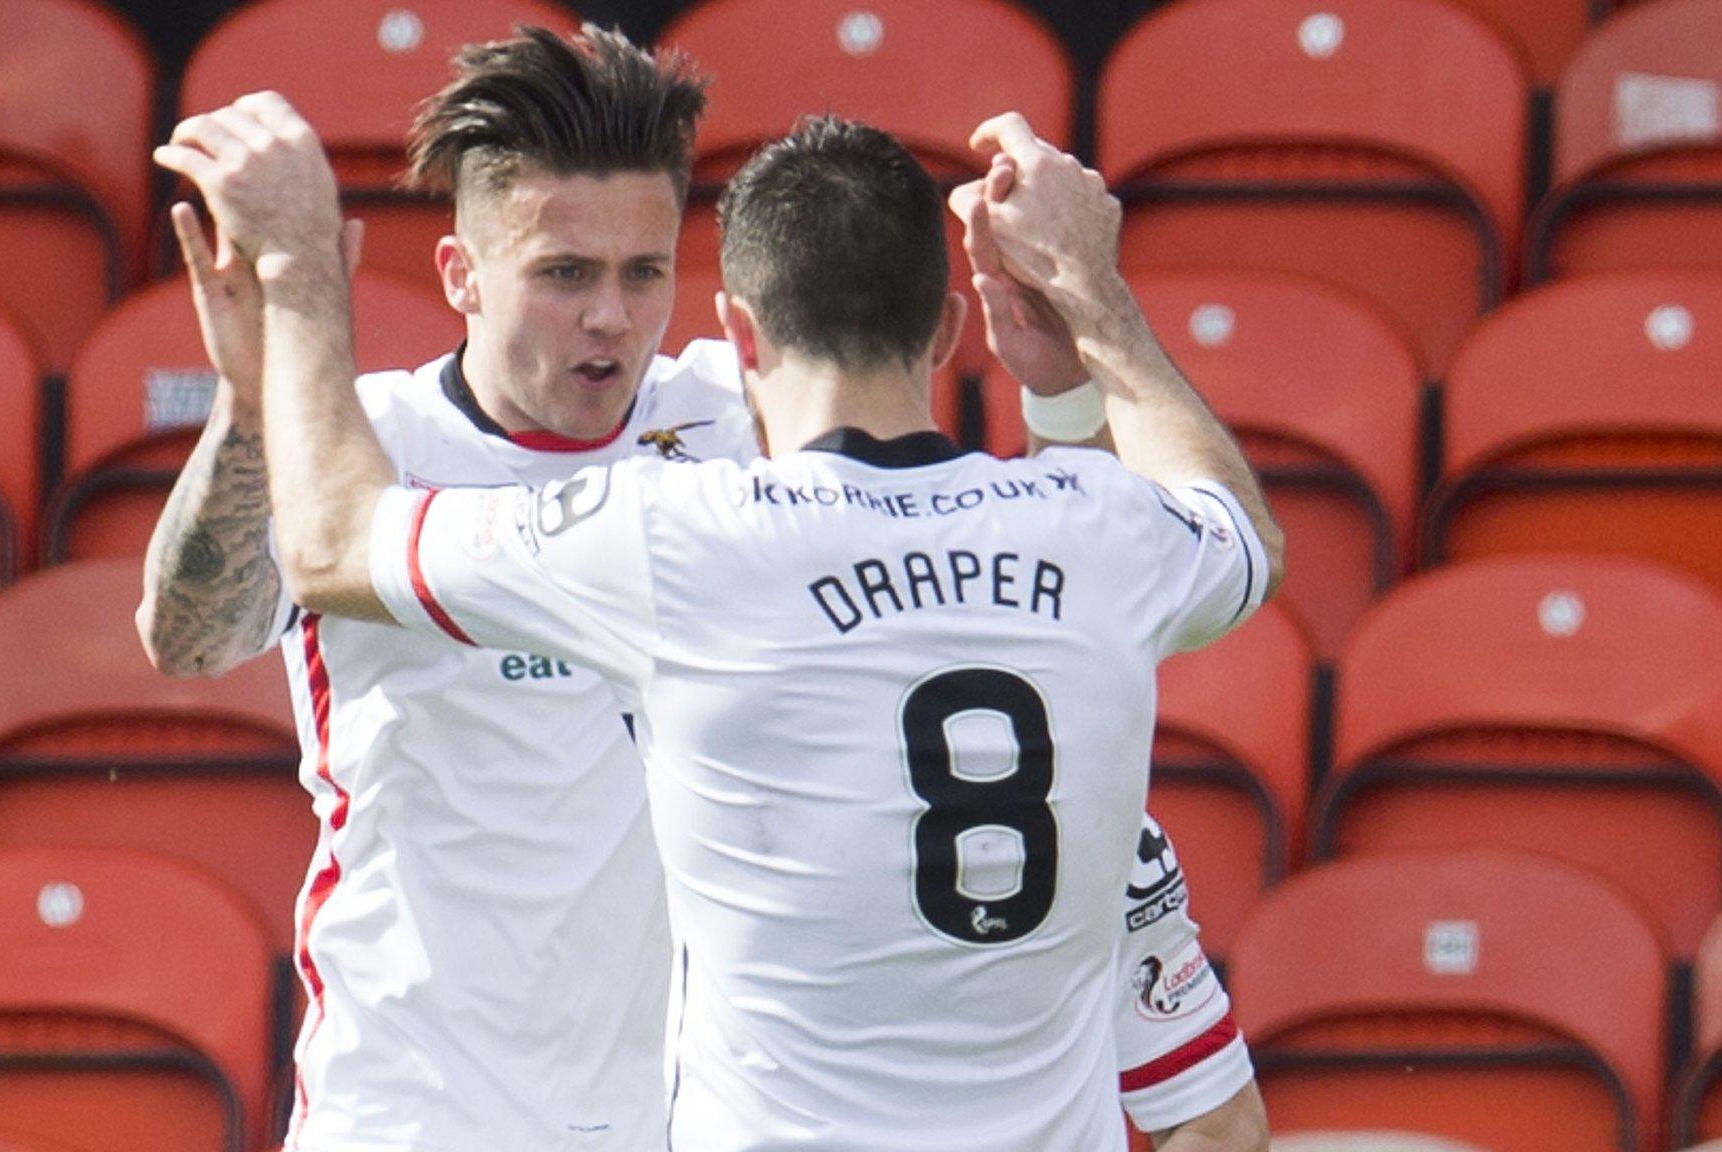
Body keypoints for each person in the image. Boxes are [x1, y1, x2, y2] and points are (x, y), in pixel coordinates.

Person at [144, 25, 1266, 1151]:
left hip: (667, 1118)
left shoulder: (739, 443)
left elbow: (1009, 581)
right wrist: (256, 409)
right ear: (460, 277)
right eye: (563, 274)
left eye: (641, 275)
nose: (609, 319)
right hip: (414, 1109)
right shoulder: (362, 444)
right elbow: (188, 638)